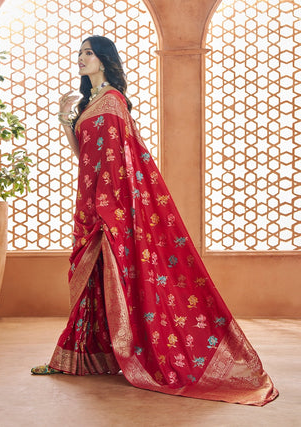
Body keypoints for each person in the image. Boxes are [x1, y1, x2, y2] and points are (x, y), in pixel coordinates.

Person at [31, 35, 278, 406]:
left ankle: (145, 353)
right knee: (93, 280)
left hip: (109, 205)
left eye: (89, 53)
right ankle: (85, 356)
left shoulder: (112, 102)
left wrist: (107, 210)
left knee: (126, 277)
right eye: (80, 53)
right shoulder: (91, 103)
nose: (81, 58)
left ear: (104, 60)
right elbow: (84, 156)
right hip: (90, 201)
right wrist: (66, 120)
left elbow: (117, 162)